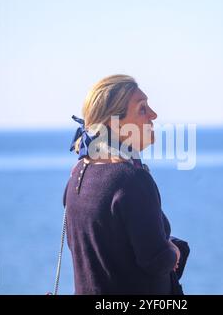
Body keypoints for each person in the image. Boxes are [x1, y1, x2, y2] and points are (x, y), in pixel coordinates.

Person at [63, 74, 189, 294]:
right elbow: (156, 260)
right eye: (142, 109)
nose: (154, 115)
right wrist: (174, 252)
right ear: (114, 123)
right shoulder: (131, 180)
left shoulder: (78, 176)